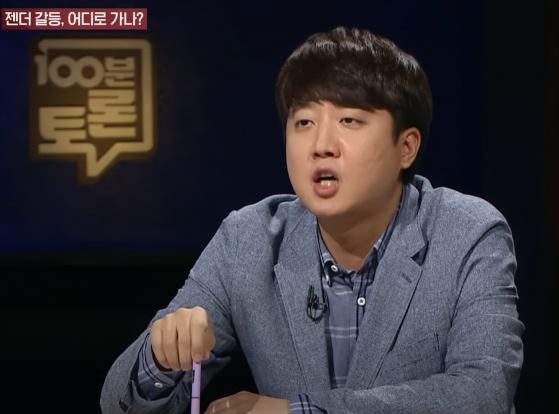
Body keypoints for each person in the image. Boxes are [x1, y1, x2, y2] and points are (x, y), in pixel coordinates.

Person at [101, 26, 524, 414]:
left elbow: (483, 394)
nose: (322, 145)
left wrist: (298, 412)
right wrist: (161, 357)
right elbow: (117, 403)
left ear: (406, 148)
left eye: (349, 120)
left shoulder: (467, 233)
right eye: (303, 122)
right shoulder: (249, 240)